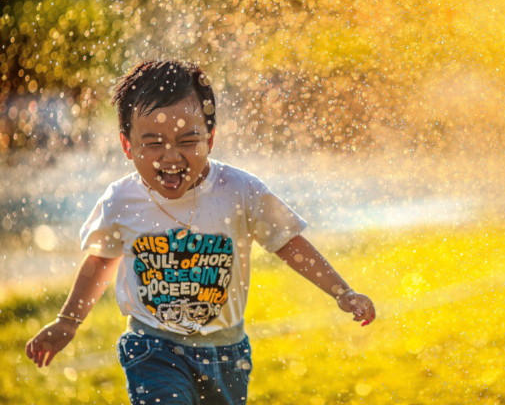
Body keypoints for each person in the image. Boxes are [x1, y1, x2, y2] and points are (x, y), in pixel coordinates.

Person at [26, 59, 376, 405]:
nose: (171, 156)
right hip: (152, 346)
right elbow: (101, 261)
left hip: (226, 352)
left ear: (210, 138)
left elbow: (288, 243)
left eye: (187, 139)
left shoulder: (240, 190)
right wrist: (68, 321)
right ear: (127, 145)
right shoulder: (122, 200)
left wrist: (341, 291)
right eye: (153, 143)